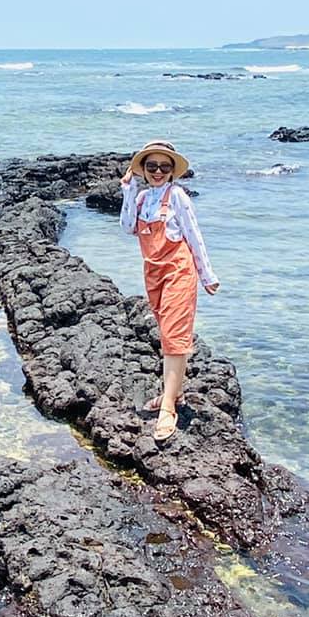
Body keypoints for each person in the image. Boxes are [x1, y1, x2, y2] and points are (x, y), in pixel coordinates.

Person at [119, 139, 220, 441]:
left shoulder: (177, 196)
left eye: (165, 166)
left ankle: (167, 408)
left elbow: (194, 235)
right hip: (153, 273)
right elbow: (127, 227)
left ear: (173, 170)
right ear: (144, 170)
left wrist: (207, 275)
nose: (158, 171)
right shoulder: (141, 200)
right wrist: (128, 192)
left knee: (174, 337)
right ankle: (174, 394)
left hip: (179, 270)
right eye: (152, 166)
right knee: (170, 334)